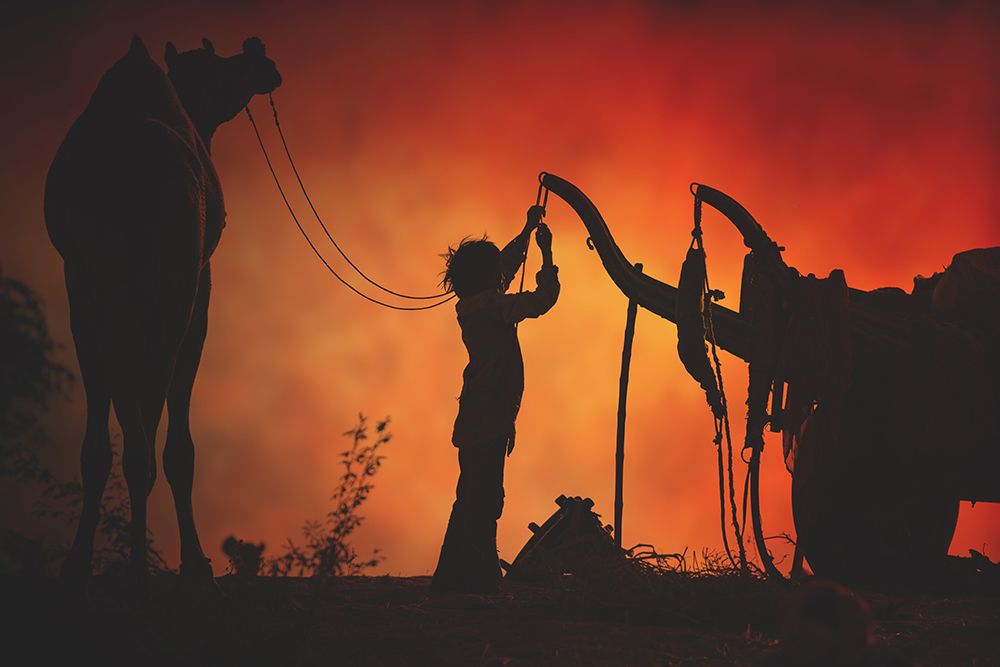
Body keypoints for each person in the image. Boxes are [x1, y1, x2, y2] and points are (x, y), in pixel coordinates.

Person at [431, 204, 560, 593]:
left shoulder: (474, 304)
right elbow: (543, 299)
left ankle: (452, 577)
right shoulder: (494, 305)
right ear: (488, 277)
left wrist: (527, 229)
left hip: (476, 416)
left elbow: (503, 264)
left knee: (469, 496)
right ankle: (481, 578)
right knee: (486, 498)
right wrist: (547, 255)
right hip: (490, 416)